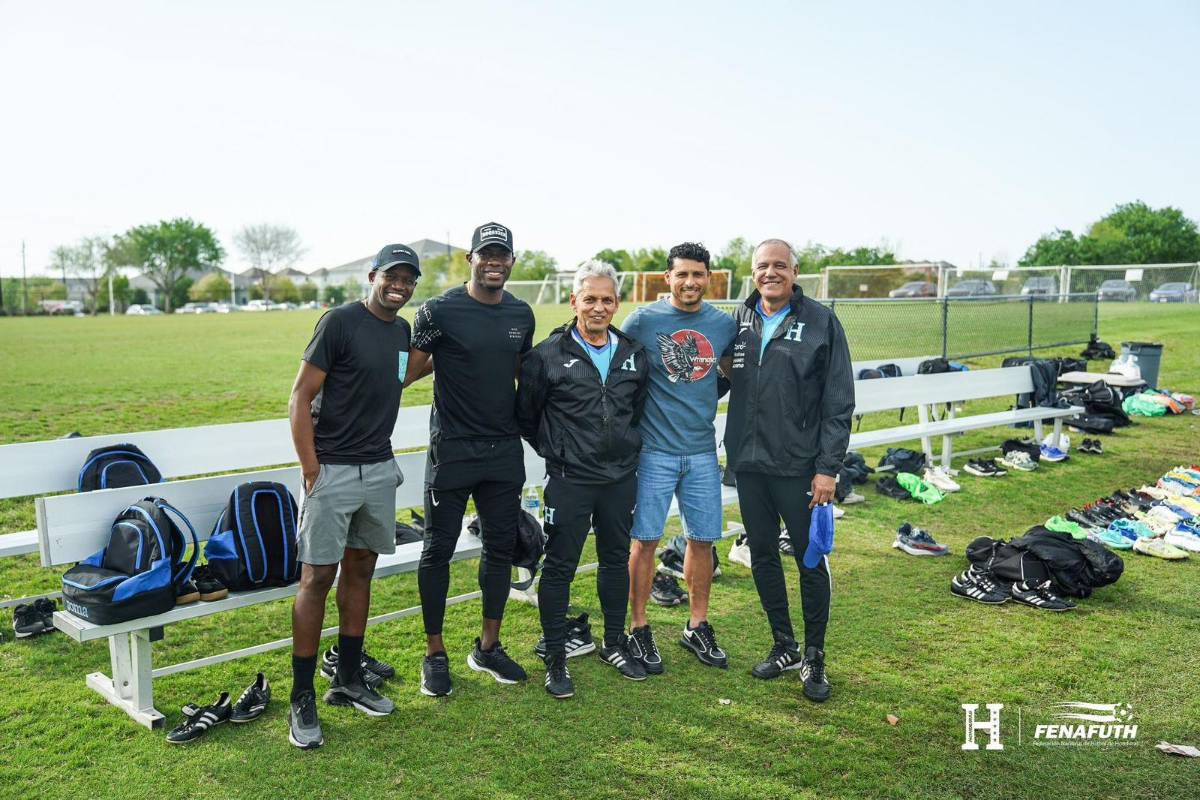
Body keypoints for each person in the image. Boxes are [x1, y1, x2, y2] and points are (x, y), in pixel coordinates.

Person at [286, 243, 420, 749]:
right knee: (318, 575)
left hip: (379, 469)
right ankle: (303, 695)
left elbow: (395, 377)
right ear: (372, 276)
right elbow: (299, 397)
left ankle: (348, 676)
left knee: (361, 568)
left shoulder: (402, 330)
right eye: (392, 276)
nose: (399, 287)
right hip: (333, 473)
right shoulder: (339, 321)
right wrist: (311, 469)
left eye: (408, 280)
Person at [405, 221, 536, 697]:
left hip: (503, 451)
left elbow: (522, 374)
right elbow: (409, 371)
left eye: (503, 255)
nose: (495, 262)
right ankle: (435, 654)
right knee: (436, 550)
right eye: (487, 254)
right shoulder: (438, 310)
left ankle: (488, 646)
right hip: (452, 452)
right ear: (471, 259)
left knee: (501, 549)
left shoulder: (522, 314)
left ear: (512, 262)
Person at [721, 238, 854, 702]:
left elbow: (839, 402)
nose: (770, 272)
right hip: (749, 465)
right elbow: (717, 379)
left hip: (800, 468)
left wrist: (828, 469)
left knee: (810, 559)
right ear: (752, 272)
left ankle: (815, 655)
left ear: (795, 272)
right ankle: (784, 645)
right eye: (763, 265)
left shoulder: (821, 321)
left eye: (780, 265)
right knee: (761, 555)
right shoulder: (738, 321)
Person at [516, 260, 651, 698]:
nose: (598, 307)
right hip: (570, 480)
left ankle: (613, 643)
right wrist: (561, 455)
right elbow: (527, 417)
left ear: (617, 303)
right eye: (589, 298)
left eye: (606, 299)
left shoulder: (633, 352)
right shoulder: (546, 355)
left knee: (615, 559)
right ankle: (556, 655)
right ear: (574, 301)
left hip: (619, 480)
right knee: (560, 565)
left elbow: (639, 412)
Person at [621, 242, 737, 673]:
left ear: (710, 278)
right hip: (654, 451)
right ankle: (638, 627)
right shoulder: (643, 321)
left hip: (703, 451)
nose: (691, 282)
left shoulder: (722, 326)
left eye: (698, 274)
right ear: (667, 278)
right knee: (646, 539)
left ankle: (697, 624)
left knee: (703, 539)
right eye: (682, 274)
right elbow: (622, 377)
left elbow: (731, 373)